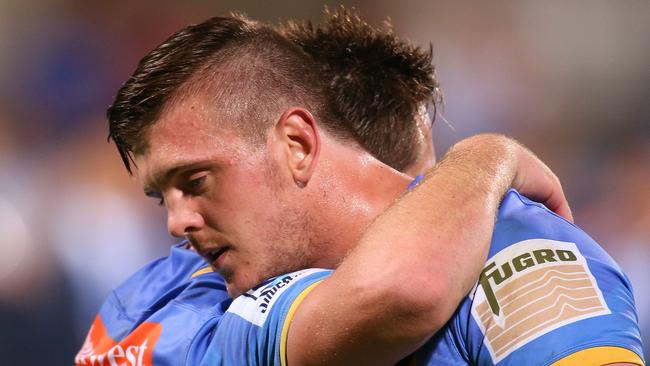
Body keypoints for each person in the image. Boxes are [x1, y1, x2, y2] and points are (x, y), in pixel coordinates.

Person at [84, 8, 643, 366]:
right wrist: (488, 155)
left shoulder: (516, 252)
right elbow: (403, 291)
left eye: (195, 181)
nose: (176, 224)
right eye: (164, 196)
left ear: (299, 144)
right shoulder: (163, 300)